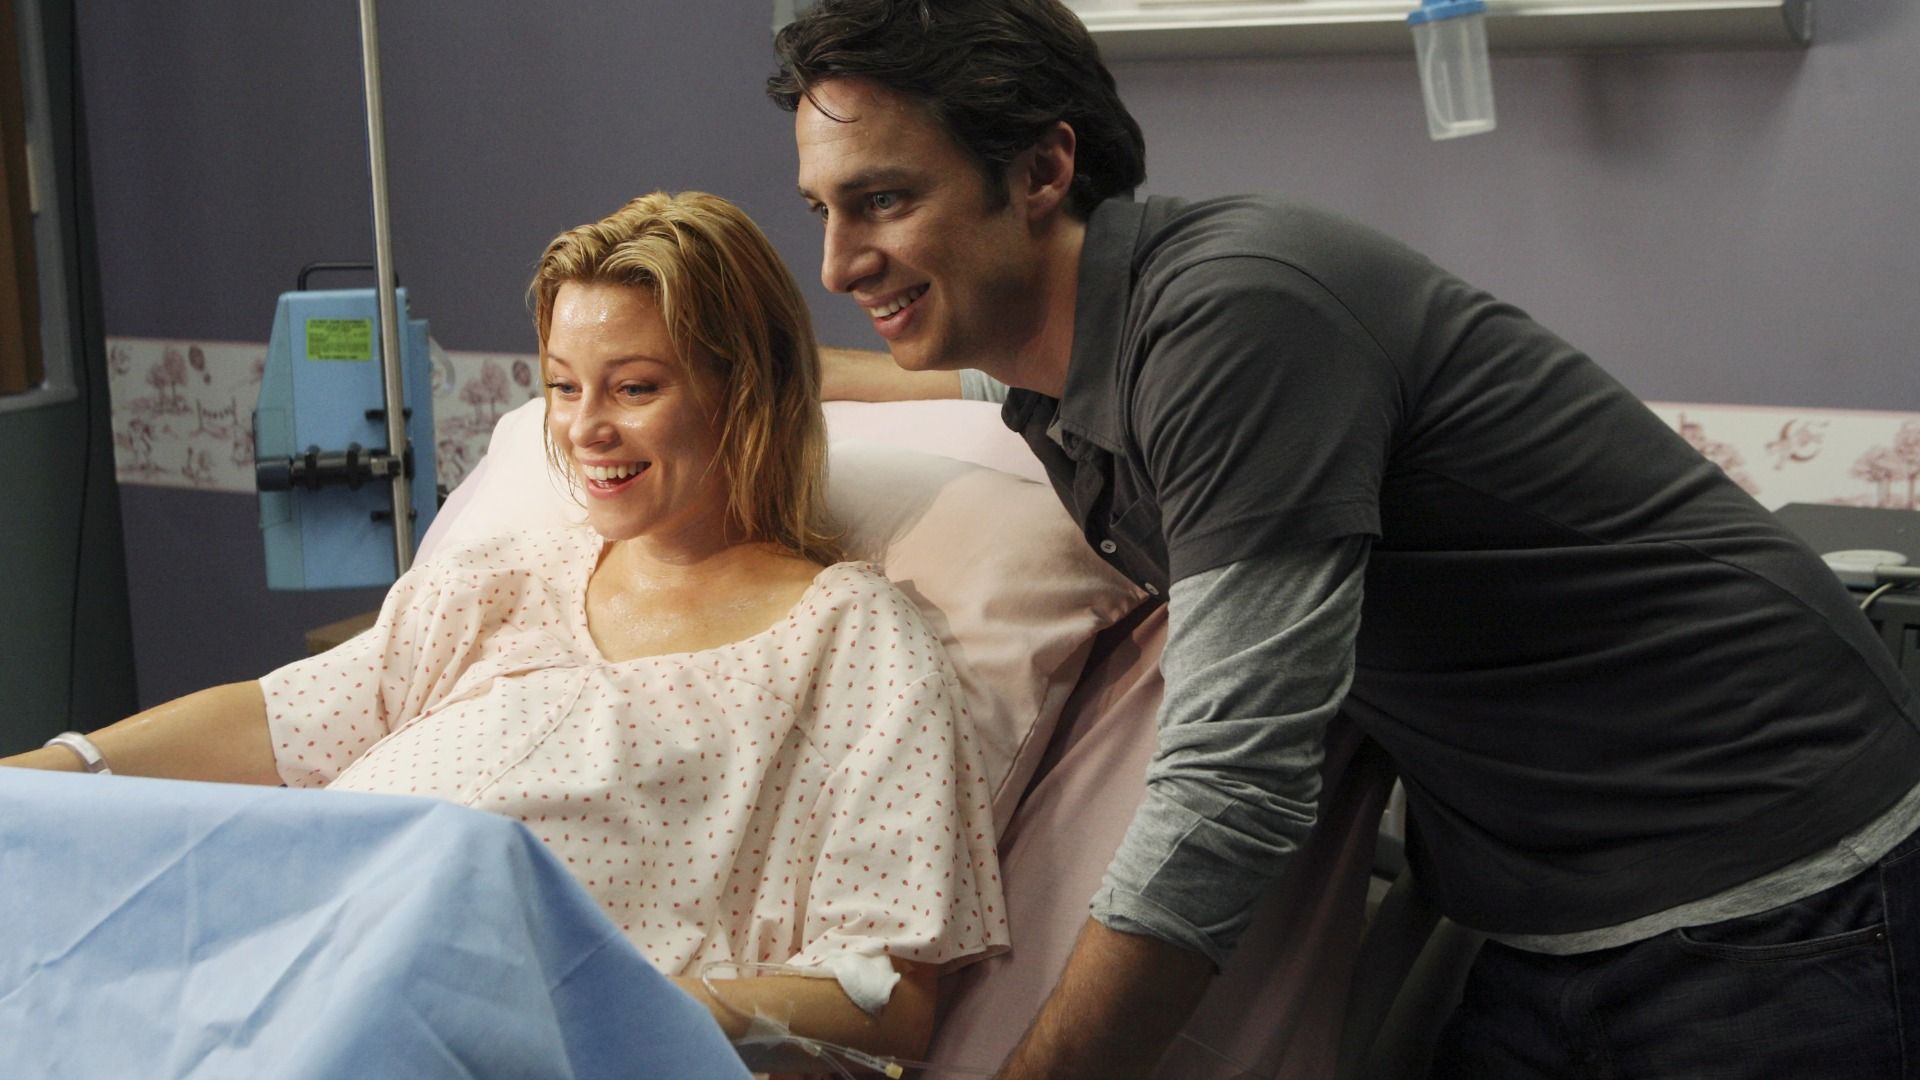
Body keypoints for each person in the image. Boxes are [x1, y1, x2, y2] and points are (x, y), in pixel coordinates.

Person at [766, 3, 1920, 1078]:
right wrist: (737, 363)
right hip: (1544, 910)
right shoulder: (1069, 368)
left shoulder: (1239, 318)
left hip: (1766, 878)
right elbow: (935, 375)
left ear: (1041, 169)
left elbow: (1229, 790)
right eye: (822, 212)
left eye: (884, 201)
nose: (838, 264)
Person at [3, 190, 1007, 1073]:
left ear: (745, 391)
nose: (584, 428)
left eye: (635, 387)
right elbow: (280, 719)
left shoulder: (848, 639)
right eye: (565, 386)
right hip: (301, 965)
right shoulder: (505, 579)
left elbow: (887, 997)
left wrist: (583, 996)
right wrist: (53, 773)